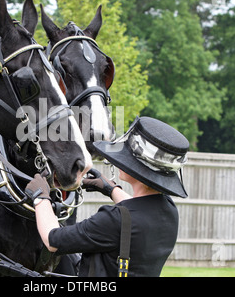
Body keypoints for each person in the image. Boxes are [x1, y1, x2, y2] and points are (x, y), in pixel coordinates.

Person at [26, 116, 189, 277]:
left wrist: (41, 196)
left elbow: (53, 239)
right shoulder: (169, 210)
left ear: (139, 170)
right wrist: (110, 188)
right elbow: (137, 214)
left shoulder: (113, 219)